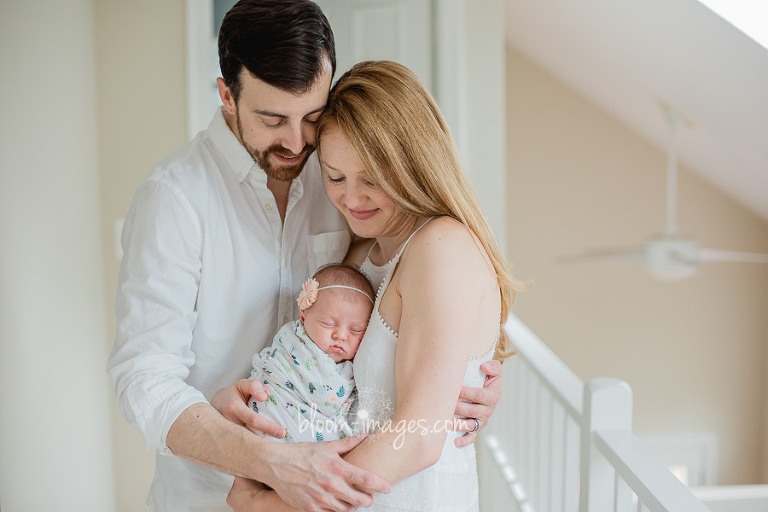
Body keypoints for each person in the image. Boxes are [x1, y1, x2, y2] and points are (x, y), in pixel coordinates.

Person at [107, 1, 503, 511]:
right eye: (273, 119)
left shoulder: (339, 172)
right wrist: (263, 467)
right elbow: (145, 377)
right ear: (227, 94)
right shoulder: (175, 199)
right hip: (212, 493)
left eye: (312, 117)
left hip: (333, 491)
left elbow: (412, 320)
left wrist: (460, 368)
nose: (297, 144)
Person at [226, 60, 523, 512]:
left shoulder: (442, 247)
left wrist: (269, 505)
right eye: (335, 177)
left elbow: (420, 438)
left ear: (413, 162)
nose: (352, 198)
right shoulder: (361, 256)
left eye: (372, 178)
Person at [247, 264, 374, 443]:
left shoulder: (353, 365)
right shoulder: (292, 341)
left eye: (355, 330)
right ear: (303, 316)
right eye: (328, 324)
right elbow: (326, 402)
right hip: (271, 416)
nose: (341, 336)